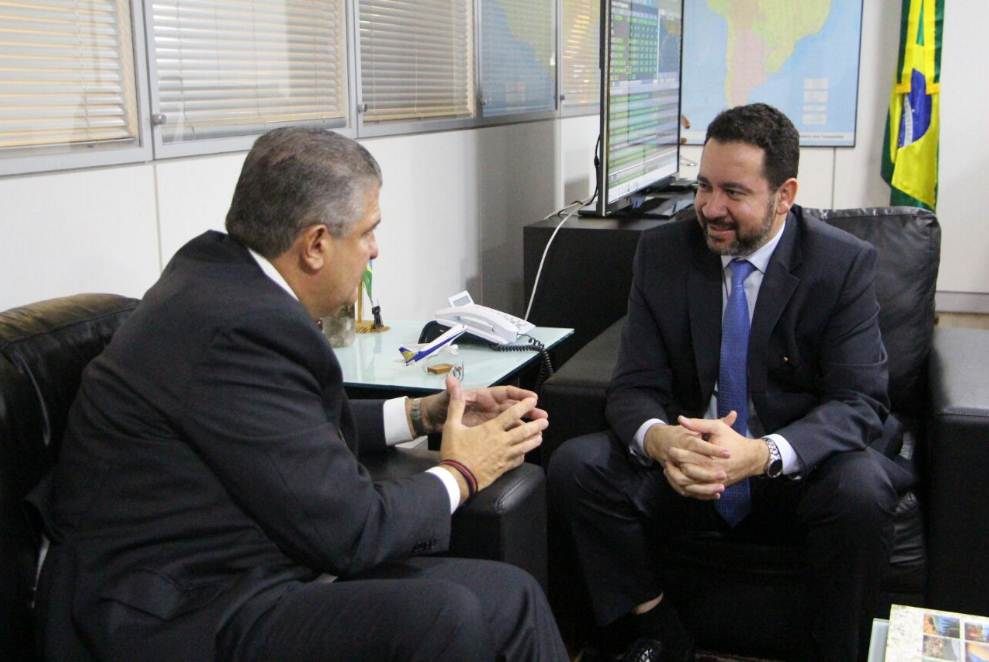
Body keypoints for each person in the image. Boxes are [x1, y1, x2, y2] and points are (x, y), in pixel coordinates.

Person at [32, 127, 568, 661]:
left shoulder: (218, 274)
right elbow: (355, 533)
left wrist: (420, 414)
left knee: (512, 599)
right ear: (315, 245)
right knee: (444, 617)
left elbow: (285, 429)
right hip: (175, 608)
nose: (375, 250)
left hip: (234, 562)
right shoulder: (239, 328)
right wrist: (464, 471)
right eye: (368, 233)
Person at [549, 103, 903, 662]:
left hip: (791, 472)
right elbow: (634, 384)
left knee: (861, 490)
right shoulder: (663, 252)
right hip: (688, 471)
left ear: (784, 195)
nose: (711, 208)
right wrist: (662, 441)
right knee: (577, 466)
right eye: (704, 186)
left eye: (734, 192)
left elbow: (859, 401)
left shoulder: (841, 265)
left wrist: (761, 454)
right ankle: (659, 634)